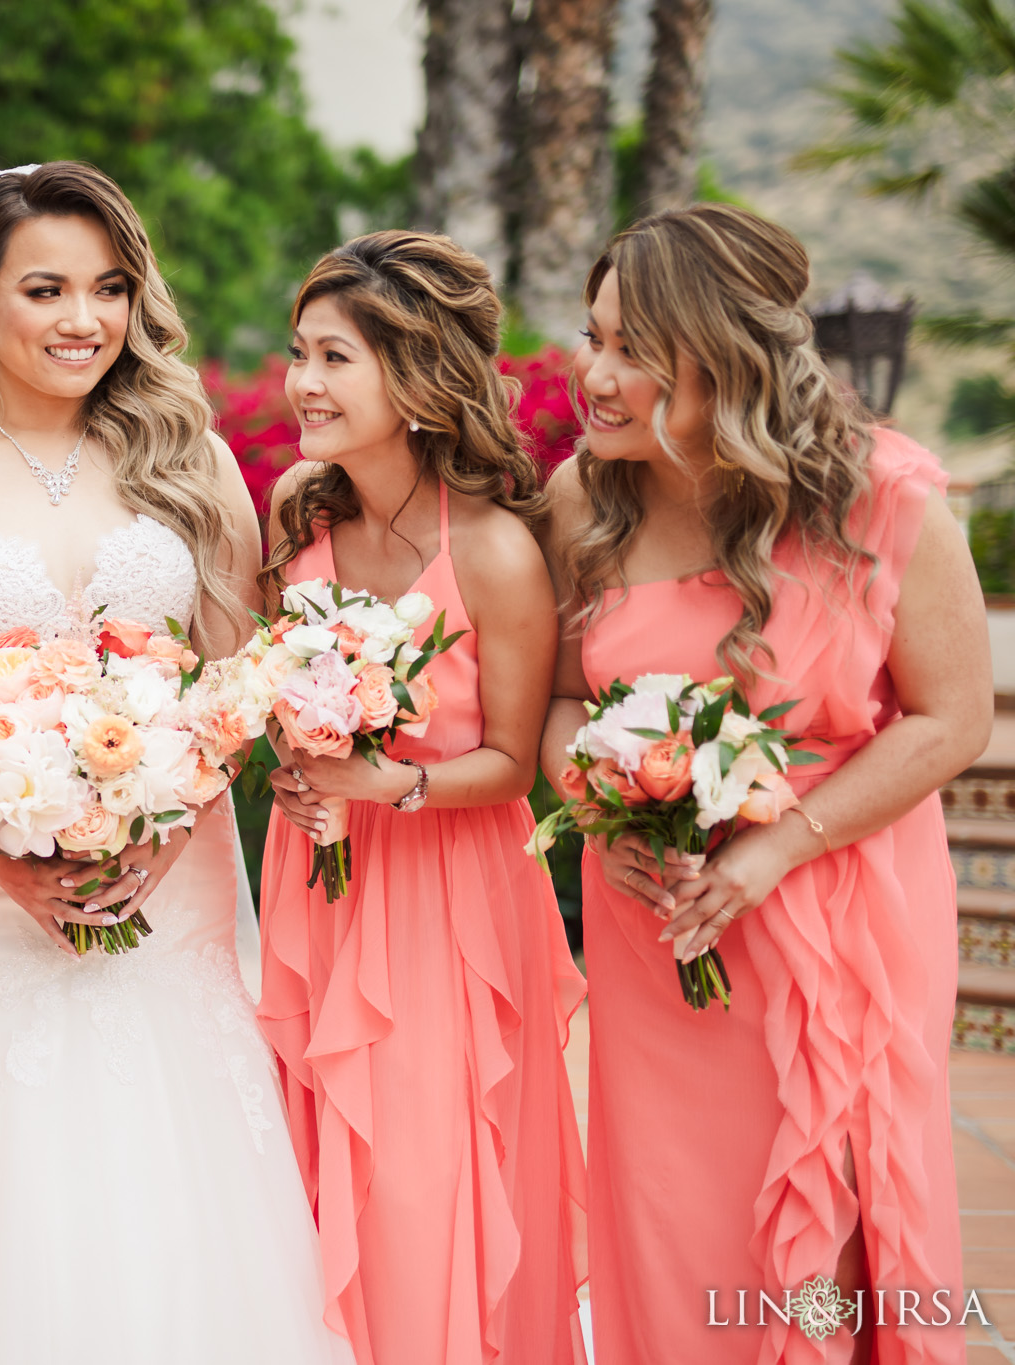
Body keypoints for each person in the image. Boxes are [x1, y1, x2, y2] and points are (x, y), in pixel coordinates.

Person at [0, 161, 345, 1364]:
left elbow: (238, 675)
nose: (81, 319)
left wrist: (160, 818)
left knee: (177, 1180)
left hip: (173, 886)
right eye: (44, 289)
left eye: (107, 288)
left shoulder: (187, 458)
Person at [540, 203, 988, 1364]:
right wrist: (601, 811)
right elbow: (557, 707)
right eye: (590, 337)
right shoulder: (581, 504)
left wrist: (778, 846)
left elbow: (948, 719)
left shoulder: (881, 499)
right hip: (660, 921)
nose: (594, 374)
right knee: (673, 1218)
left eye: (630, 348)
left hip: (836, 902)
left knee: (827, 1219)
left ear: (719, 356)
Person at [257, 231, 589, 1365]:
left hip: (447, 894)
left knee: (419, 1170)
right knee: (312, 1156)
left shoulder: (495, 550)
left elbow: (511, 759)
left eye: (334, 358)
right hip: (318, 884)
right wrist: (296, 767)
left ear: (415, 377)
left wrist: (386, 785)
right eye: (297, 352)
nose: (300, 382)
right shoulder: (298, 526)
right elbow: (275, 698)